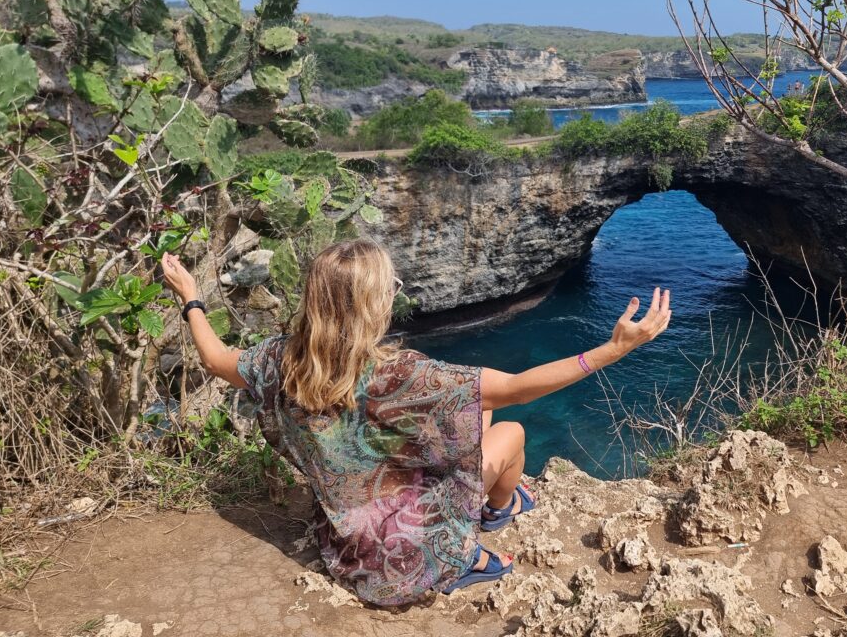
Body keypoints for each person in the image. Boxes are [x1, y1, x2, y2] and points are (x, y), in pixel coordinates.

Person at [160, 240, 670, 607]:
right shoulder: (404, 375)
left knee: (476, 411)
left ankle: (481, 511)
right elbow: (520, 387)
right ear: (374, 305)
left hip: (347, 547)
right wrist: (613, 349)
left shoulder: (276, 360)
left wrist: (191, 296)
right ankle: (488, 522)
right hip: (407, 560)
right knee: (510, 431)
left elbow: (214, 357)